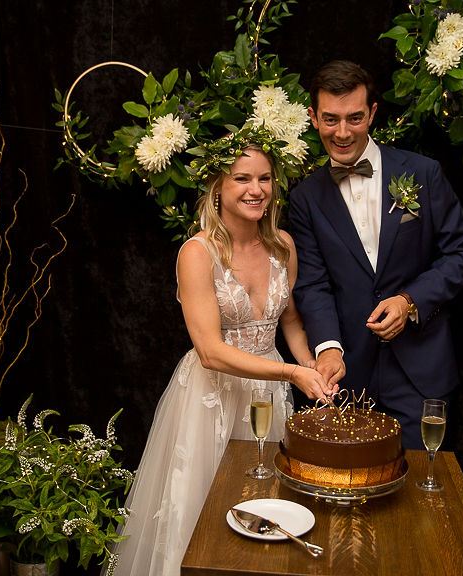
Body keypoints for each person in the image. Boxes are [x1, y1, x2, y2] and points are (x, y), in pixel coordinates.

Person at [112, 128, 332, 576]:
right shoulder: (197, 253)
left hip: (268, 397)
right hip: (211, 396)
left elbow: (288, 320)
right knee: (200, 515)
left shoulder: (283, 246)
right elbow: (210, 351)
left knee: (264, 510)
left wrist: (314, 364)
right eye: (242, 178)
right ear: (217, 186)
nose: (257, 190)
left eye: (265, 179)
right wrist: (291, 374)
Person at [288, 60, 463, 450]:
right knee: (347, 493)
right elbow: (312, 284)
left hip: (420, 373)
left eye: (354, 118)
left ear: (372, 113)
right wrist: (328, 350)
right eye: (330, 119)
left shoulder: (423, 174)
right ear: (313, 117)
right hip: (346, 375)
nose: (342, 133)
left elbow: (461, 254)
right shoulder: (304, 198)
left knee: (418, 495)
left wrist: (410, 301)